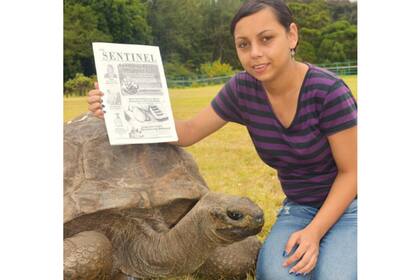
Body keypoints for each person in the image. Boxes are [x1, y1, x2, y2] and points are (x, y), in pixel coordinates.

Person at [87, 0, 357, 279]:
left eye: (266, 39)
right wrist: (117, 109)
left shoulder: (327, 91)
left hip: (351, 205)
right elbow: (189, 131)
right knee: (275, 275)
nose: (255, 53)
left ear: (291, 35)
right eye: (244, 44)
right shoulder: (243, 90)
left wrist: (314, 233)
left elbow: (353, 172)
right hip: (300, 206)